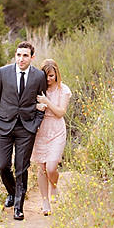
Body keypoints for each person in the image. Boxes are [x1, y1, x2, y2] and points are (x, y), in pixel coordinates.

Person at [0, 41, 47, 221]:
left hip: (26, 128)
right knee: (2, 165)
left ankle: (18, 207)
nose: (21, 59)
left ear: (32, 57)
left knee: (22, 168)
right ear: (15, 55)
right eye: (19, 55)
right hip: (3, 126)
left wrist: (36, 124)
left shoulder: (38, 76)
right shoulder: (2, 73)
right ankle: (12, 192)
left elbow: (42, 102)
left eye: (25, 56)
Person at [30, 59, 72, 216]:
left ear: (57, 74)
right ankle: (45, 200)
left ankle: (54, 184)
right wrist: (37, 106)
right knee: (41, 168)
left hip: (56, 130)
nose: (48, 79)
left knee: (51, 167)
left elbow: (61, 112)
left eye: (51, 76)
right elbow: (27, 105)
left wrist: (46, 102)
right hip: (41, 130)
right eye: (45, 76)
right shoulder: (38, 89)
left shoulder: (63, 90)